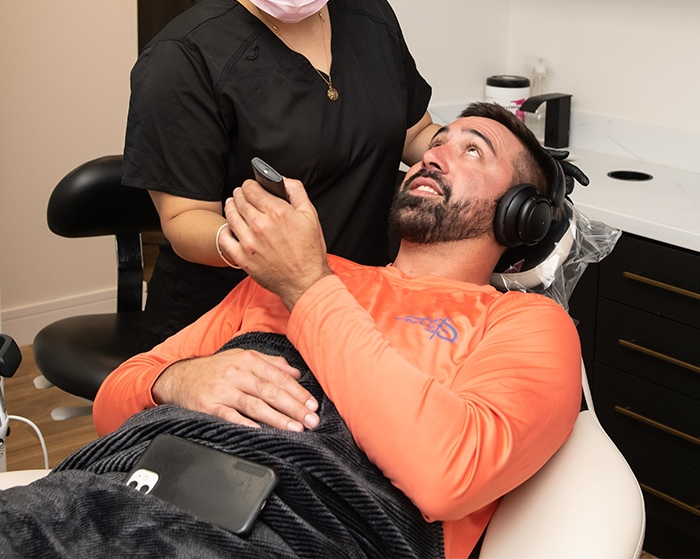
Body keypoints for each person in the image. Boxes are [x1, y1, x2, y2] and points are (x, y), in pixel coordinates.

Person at [74, 102, 582, 559]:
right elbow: (110, 406)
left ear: (522, 216)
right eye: (438, 141)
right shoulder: (293, 273)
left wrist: (307, 286)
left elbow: (447, 475)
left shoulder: (526, 322)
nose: (434, 155)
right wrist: (177, 381)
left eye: (473, 151)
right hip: (118, 488)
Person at [122, 0, 438, 350]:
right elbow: (183, 220)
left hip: (356, 303)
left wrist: (483, 155)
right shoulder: (184, 58)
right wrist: (256, 245)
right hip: (232, 326)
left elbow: (415, 131)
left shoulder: (368, 13)